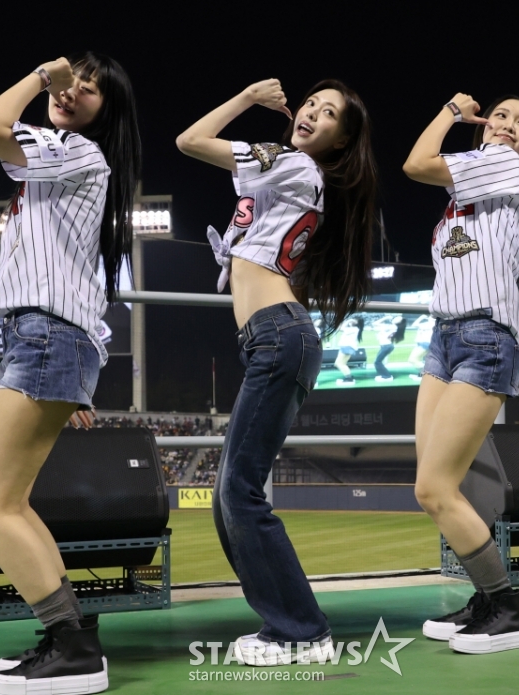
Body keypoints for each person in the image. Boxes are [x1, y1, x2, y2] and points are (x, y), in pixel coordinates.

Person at [177, 77, 377, 665]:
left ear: (341, 141)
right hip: (270, 339)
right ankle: (286, 623)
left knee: (238, 492)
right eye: (311, 103)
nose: (311, 112)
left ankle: (301, 632)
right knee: (228, 496)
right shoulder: (289, 173)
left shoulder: (291, 163)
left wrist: (245, 99)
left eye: (328, 113)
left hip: (277, 336)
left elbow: (190, 141)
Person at [0, 50, 139, 694]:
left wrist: (43, 76)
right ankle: (68, 638)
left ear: (106, 112)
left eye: (88, 89)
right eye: (70, 82)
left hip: (44, 335)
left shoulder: (74, 150)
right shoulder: (69, 159)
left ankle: (73, 647)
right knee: (7, 502)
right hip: (46, 336)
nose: (70, 91)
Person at [403, 93, 519, 654]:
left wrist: (449, 111)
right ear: (487, 125)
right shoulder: (460, 198)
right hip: (443, 339)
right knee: (437, 486)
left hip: (485, 336)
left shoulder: (504, 163)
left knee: (433, 487)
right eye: (502, 116)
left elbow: (416, 164)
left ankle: (507, 609)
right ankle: (487, 598)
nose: (509, 126)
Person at [372, 316, 406, 382]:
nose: (395, 318)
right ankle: (385, 375)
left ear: (399, 322)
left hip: (386, 346)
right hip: (386, 346)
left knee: (377, 362)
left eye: (398, 319)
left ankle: (387, 376)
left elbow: (375, 323)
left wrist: (386, 317)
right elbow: (375, 324)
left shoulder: (392, 327)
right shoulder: (392, 326)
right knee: (378, 362)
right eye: (396, 317)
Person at [334, 317, 363, 385]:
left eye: (354, 320)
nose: (352, 321)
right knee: (339, 363)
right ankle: (348, 376)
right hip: (345, 347)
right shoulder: (353, 329)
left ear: (357, 323)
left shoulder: (354, 329)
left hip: (347, 347)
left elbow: (340, 328)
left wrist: (348, 321)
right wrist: (348, 321)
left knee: (340, 364)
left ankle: (349, 377)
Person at [407, 315, 435, 381]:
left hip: (425, 343)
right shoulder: (425, 324)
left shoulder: (434, 324)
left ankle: (429, 374)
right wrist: (421, 318)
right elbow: (414, 325)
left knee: (412, 359)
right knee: (426, 361)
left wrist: (422, 317)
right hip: (423, 343)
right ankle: (422, 375)